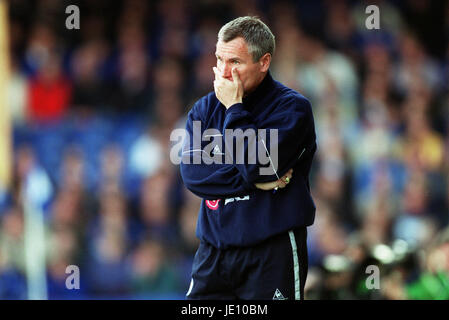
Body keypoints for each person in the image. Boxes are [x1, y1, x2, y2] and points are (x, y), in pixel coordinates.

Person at [180, 16, 317, 300]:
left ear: (264, 62)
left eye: (235, 62)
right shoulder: (203, 110)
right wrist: (259, 180)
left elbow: (255, 164)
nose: (224, 72)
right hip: (214, 252)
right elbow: (193, 176)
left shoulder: (292, 109)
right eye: (220, 59)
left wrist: (234, 107)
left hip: (271, 250)